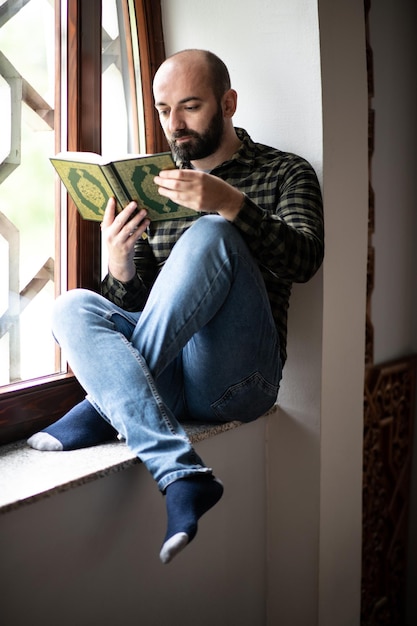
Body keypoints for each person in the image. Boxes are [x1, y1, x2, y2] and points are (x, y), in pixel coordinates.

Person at [27, 49, 324, 564]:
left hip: (238, 381)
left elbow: (305, 260)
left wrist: (229, 204)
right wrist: (120, 267)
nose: (175, 124)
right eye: (164, 110)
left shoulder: (284, 172)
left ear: (228, 103)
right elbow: (151, 307)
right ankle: (180, 473)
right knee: (71, 306)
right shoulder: (152, 185)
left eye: (189, 106)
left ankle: (101, 407)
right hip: (166, 379)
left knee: (211, 232)